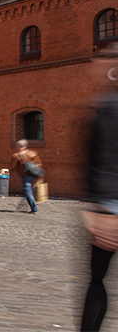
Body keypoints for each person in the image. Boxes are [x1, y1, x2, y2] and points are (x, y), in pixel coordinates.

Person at [81, 44, 118, 331]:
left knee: (96, 280)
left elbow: (104, 158)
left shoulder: (110, 109)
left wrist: (103, 206)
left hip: (111, 208)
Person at [12, 138, 44, 214]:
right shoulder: (33, 153)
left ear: (18, 146)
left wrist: (10, 175)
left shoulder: (16, 155)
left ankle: (34, 209)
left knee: (27, 191)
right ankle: (25, 204)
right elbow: (39, 164)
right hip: (33, 173)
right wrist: (40, 176)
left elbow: (13, 166)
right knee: (27, 190)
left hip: (25, 175)